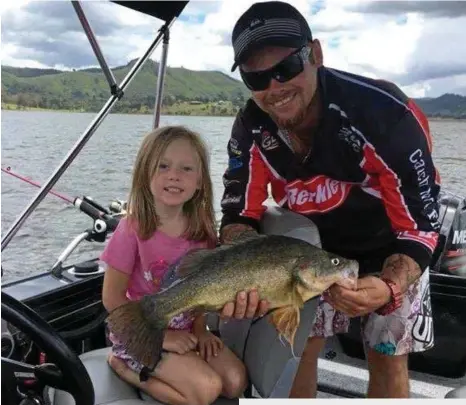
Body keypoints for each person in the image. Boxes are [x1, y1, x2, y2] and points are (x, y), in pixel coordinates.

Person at [218, 1, 441, 399]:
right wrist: (244, 277)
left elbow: (420, 227)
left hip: (391, 247)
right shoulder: (251, 126)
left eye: (285, 69)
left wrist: (389, 286)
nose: (273, 89)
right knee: (297, 353)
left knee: (387, 358)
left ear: (315, 54)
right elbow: (239, 215)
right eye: (256, 78)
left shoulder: (384, 115)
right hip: (308, 255)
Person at [101, 125, 247, 405]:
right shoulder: (130, 229)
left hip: (186, 331)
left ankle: (181, 362)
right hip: (138, 333)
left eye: (187, 169)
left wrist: (200, 331)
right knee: (206, 390)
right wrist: (163, 337)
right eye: (163, 166)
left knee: (235, 381)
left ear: (201, 181)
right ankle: (124, 369)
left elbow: (202, 295)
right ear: (145, 174)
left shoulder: (202, 234)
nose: (174, 176)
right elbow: (112, 297)